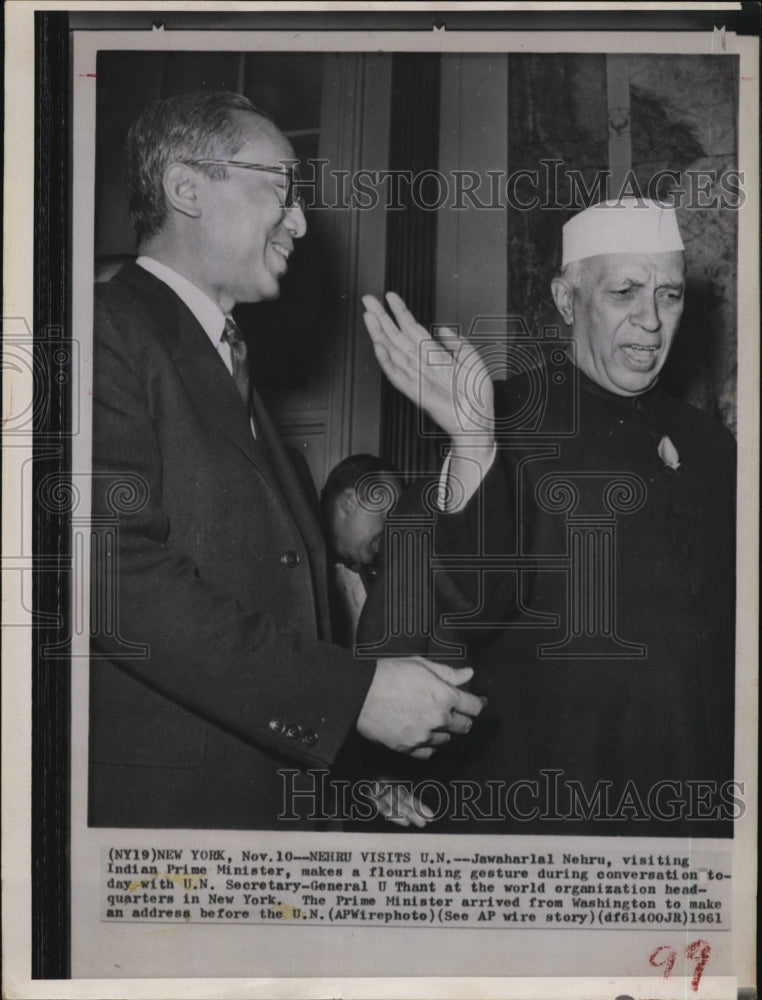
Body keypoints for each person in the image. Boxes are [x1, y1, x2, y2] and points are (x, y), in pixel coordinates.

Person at [88, 90, 487, 830]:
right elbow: (109, 577)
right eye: (282, 186)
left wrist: (352, 773)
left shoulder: (227, 368)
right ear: (185, 187)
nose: (300, 220)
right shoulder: (99, 332)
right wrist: (351, 696)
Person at [360, 199, 736, 836]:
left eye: (669, 296)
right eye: (625, 292)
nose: (650, 321)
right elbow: (430, 599)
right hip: (557, 808)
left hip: (697, 803)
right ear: (567, 301)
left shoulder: (711, 445)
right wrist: (372, 756)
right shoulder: (496, 416)